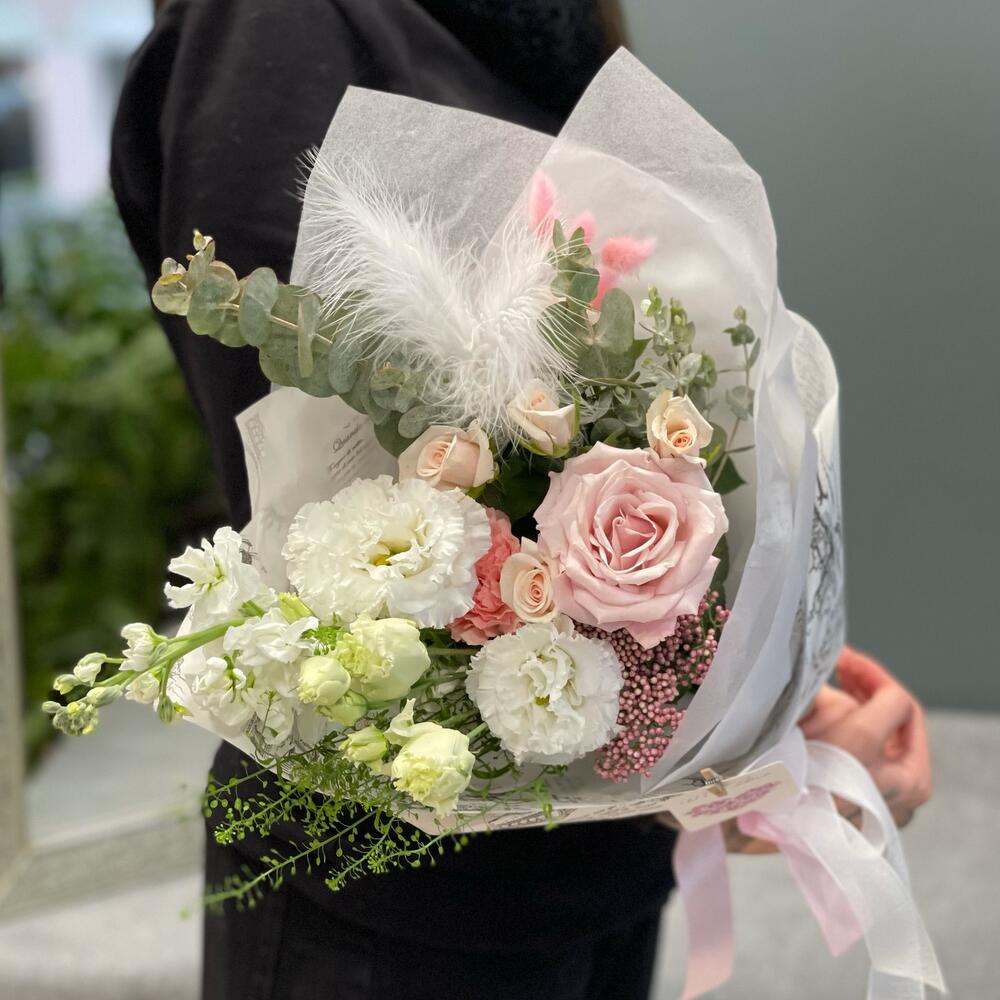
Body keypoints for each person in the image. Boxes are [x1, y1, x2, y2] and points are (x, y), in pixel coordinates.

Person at [110, 3, 931, 997]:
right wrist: (698, 738)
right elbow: (326, 505)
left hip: (603, 856)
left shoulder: (545, 23)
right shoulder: (275, 26)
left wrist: (743, 687)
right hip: (395, 903)